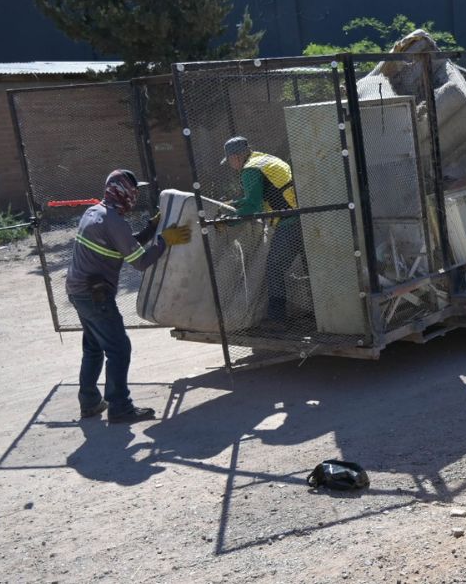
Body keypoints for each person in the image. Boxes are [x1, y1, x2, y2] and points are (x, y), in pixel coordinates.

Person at [66, 170, 191, 423]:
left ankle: (89, 402)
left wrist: (151, 230)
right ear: (124, 193)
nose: (136, 197)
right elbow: (140, 261)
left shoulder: (95, 212)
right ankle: (120, 407)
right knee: (119, 349)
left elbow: (123, 244)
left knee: (93, 347)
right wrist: (164, 241)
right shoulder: (114, 221)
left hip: (78, 292)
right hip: (95, 296)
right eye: (134, 192)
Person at [222, 136, 304, 326]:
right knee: (309, 266)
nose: (231, 165)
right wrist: (234, 203)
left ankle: (277, 320)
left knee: (274, 268)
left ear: (235, 157)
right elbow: (261, 195)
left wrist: (228, 222)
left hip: (289, 222)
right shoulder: (263, 160)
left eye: (230, 161)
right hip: (301, 217)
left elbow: (254, 205)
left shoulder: (250, 170)